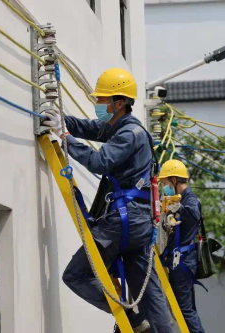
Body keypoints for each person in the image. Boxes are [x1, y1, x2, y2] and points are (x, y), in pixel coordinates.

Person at [42, 68, 172, 333]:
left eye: (102, 101)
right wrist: (63, 122)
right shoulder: (124, 128)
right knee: (148, 292)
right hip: (137, 224)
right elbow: (94, 129)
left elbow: (99, 162)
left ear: (119, 103)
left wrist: (65, 138)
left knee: (76, 275)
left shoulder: (128, 135)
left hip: (125, 222)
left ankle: (132, 320)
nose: (98, 105)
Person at [158, 160, 206, 333]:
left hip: (182, 261)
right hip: (179, 260)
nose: (164, 186)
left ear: (174, 180)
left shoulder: (189, 199)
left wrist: (180, 208)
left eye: (165, 182)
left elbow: (194, 215)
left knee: (185, 310)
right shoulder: (178, 199)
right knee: (184, 309)